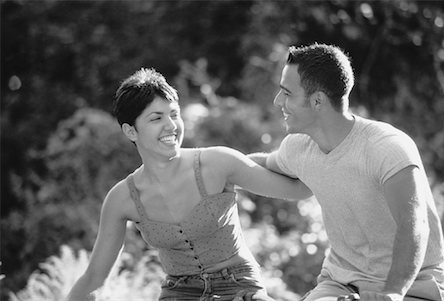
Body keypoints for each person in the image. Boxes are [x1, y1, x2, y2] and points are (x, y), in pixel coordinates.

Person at [65, 68, 312, 301]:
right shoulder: (122, 199)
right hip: (179, 294)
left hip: (239, 289)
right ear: (131, 132)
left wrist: (314, 150)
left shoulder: (217, 163)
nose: (171, 125)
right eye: (156, 118)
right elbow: (95, 277)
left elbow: (298, 189)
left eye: (174, 114)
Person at [248, 44, 444, 301]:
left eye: (286, 93)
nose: (278, 101)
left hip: (413, 288)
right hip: (341, 284)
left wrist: (392, 293)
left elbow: (413, 226)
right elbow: (261, 165)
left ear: (317, 100)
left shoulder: (387, 147)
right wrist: (210, 165)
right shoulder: (299, 147)